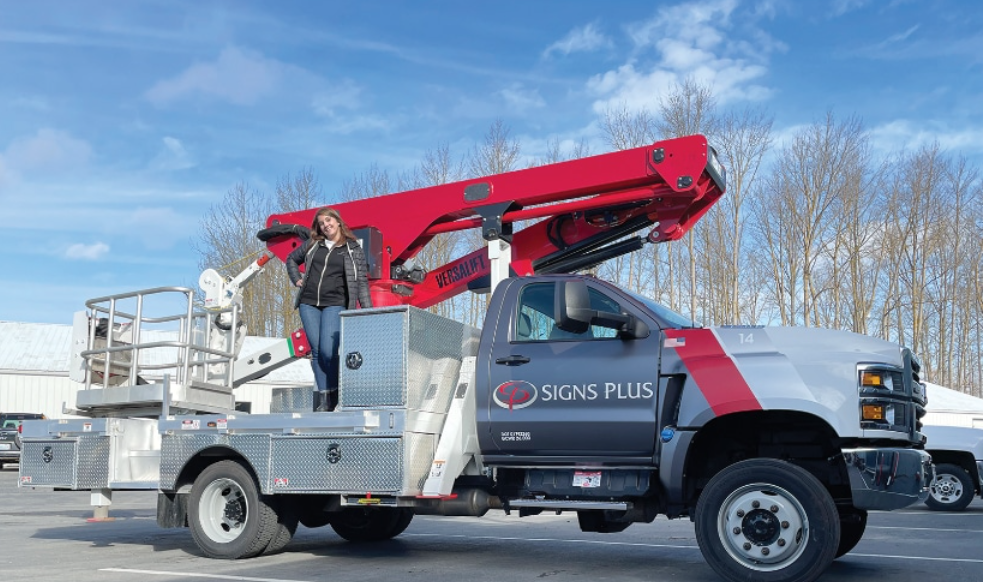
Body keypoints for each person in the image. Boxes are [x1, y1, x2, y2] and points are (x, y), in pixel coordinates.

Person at [286, 207, 372, 411]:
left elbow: (361, 284)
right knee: (316, 352)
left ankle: (336, 389)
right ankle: (325, 399)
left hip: (335, 304)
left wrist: (369, 312)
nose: (326, 225)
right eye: (322, 223)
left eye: (328, 220)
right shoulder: (314, 244)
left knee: (327, 351)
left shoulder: (353, 249)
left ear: (338, 221)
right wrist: (297, 279)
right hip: (308, 303)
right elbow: (291, 259)